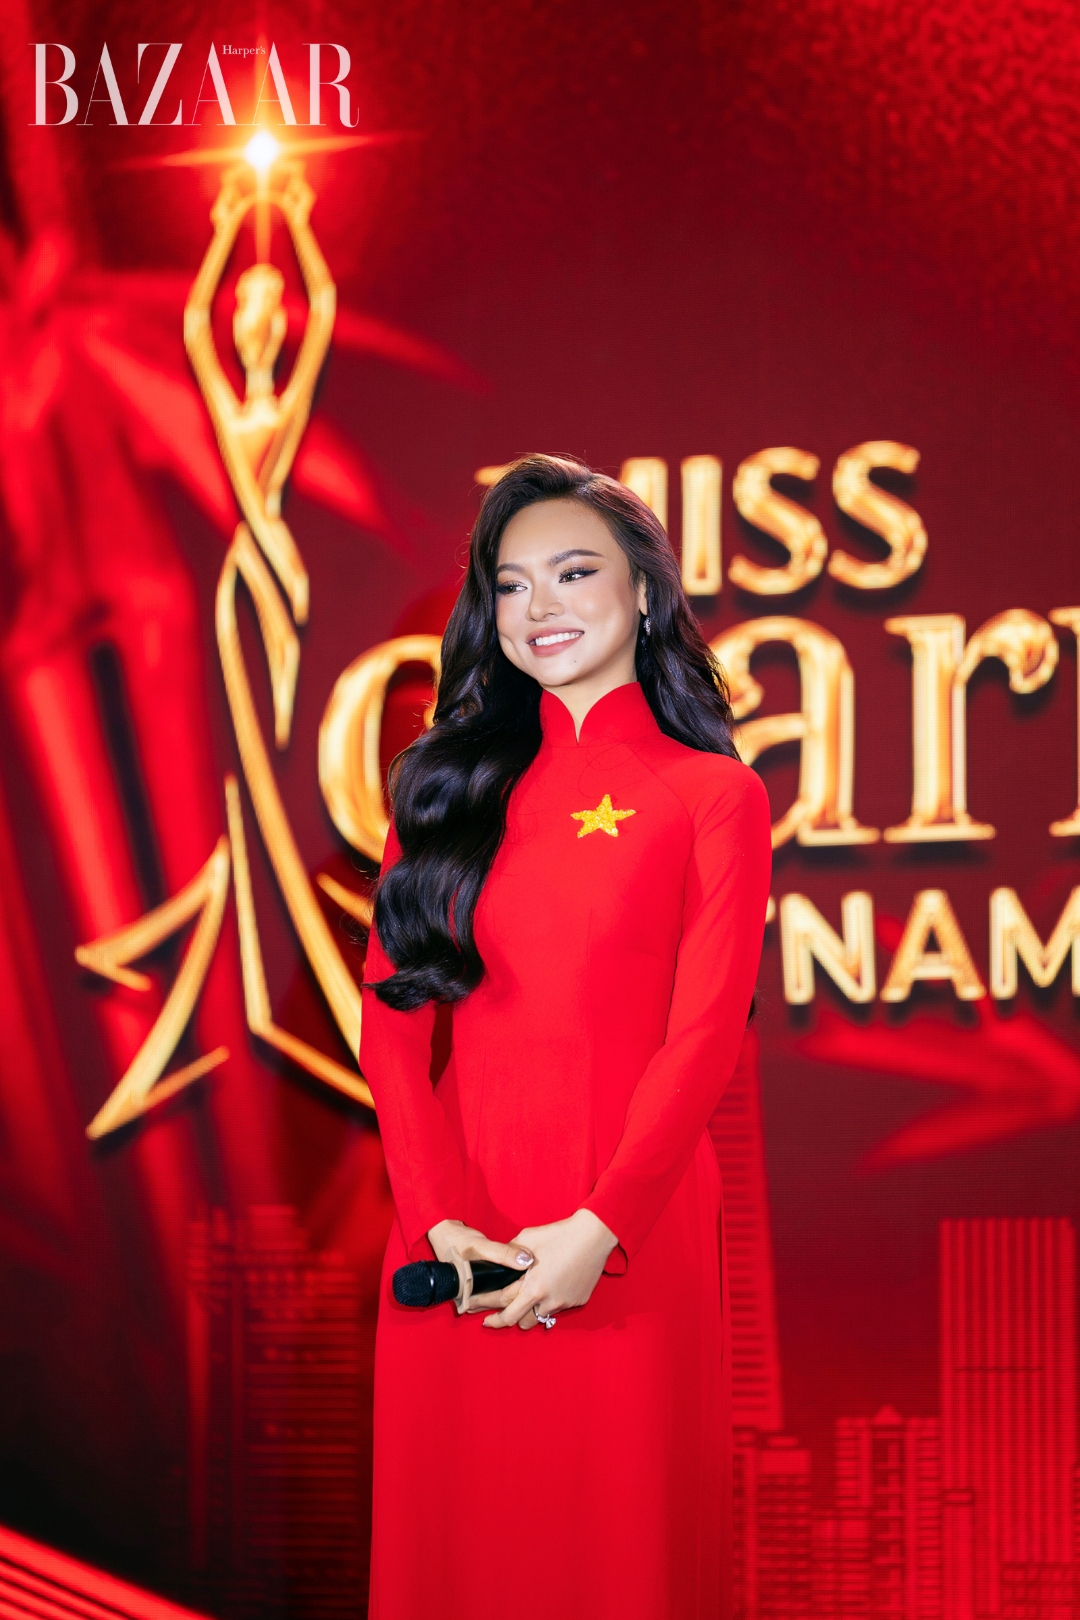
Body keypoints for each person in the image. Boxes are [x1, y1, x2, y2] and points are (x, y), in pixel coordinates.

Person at [359, 454, 772, 1620]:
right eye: (510, 583)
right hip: (457, 1231)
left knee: (619, 1562)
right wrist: (435, 1213)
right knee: (459, 1559)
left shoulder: (712, 796)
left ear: (644, 592)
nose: (538, 605)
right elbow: (390, 1027)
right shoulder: (444, 794)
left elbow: (704, 1036)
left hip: (629, 1232)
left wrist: (601, 1229)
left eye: (574, 572)